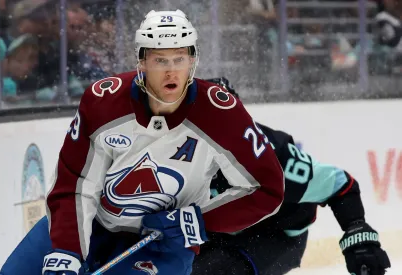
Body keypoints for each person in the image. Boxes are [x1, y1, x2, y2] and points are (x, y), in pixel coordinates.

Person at [40, 9, 284, 275]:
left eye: (179, 59)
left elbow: (267, 187)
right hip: (91, 223)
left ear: (192, 61)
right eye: (160, 60)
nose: (171, 72)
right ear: (142, 62)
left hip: (164, 243)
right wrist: (66, 251)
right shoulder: (102, 102)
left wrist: (195, 221)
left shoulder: (221, 113)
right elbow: (74, 183)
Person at [192, 79, 391, 275]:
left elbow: (341, 185)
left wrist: (357, 231)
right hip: (220, 231)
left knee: (216, 268)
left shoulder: (275, 157)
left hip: (275, 234)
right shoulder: (174, 154)